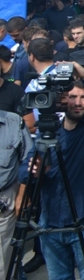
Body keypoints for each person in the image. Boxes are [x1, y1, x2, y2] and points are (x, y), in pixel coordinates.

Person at [20, 67, 84, 280]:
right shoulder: (48, 133)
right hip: (50, 221)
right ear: (63, 100)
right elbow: (25, 173)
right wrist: (35, 173)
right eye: (73, 97)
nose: (78, 102)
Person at [0, 109, 33, 274]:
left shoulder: (13, 122)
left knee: (4, 265)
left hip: (5, 200)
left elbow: (28, 161)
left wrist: (22, 194)